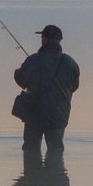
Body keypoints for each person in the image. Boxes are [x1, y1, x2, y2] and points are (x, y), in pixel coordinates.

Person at [13, 24, 79, 158]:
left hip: (34, 113)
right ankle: (56, 175)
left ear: (44, 38)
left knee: (31, 149)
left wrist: (17, 73)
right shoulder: (70, 63)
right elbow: (74, 86)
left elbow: (21, 81)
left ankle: (32, 176)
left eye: (42, 37)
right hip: (59, 114)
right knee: (56, 150)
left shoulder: (33, 60)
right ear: (59, 40)